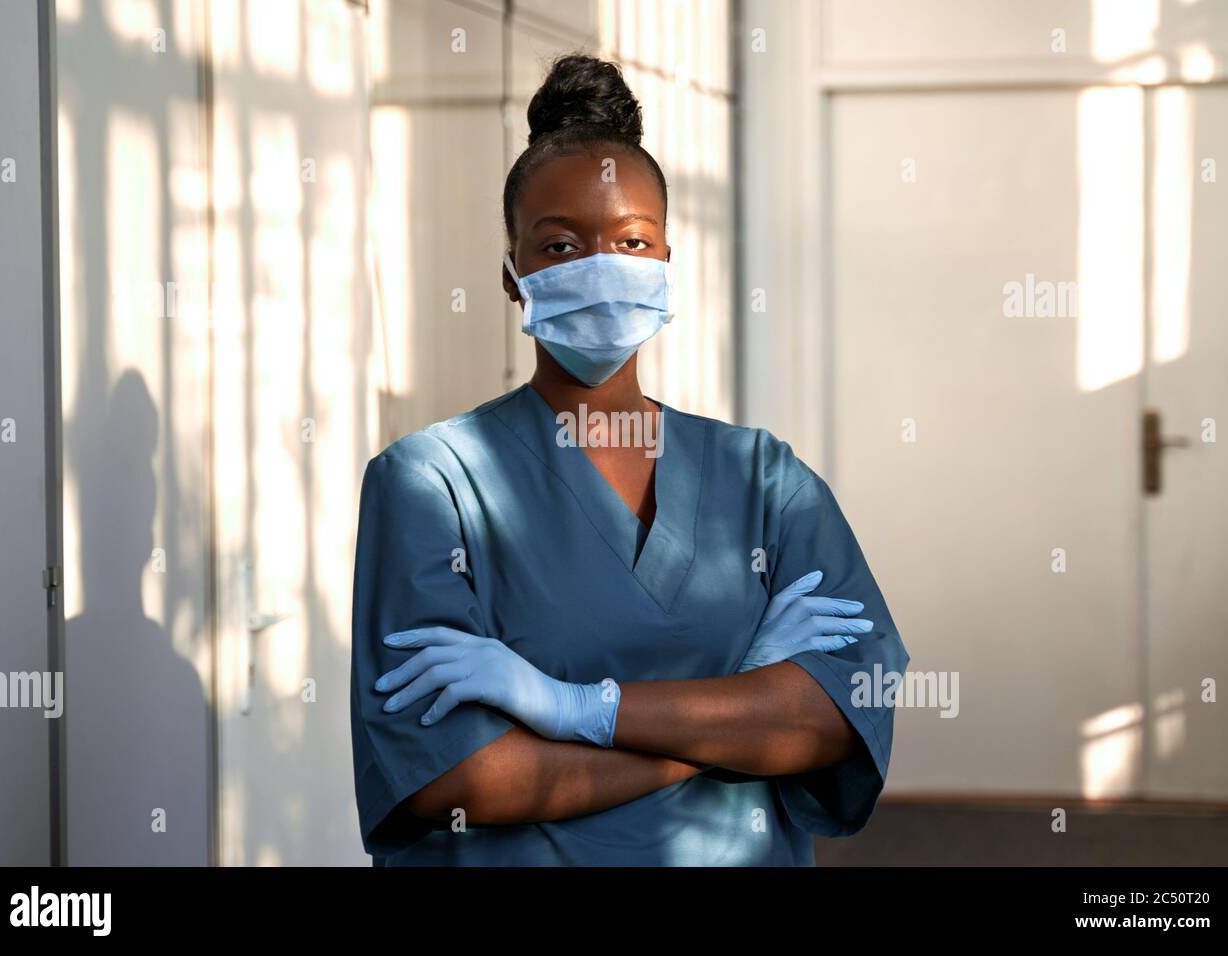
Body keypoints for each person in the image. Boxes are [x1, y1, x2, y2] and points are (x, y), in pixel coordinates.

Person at [350, 53, 908, 866]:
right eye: (560, 245)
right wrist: (736, 715)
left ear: (667, 264)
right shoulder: (432, 484)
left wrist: (570, 708)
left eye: (632, 240)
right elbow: (457, 777)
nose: (600, 267)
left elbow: (843, 709)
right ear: (512, 277)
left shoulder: (765, 482)